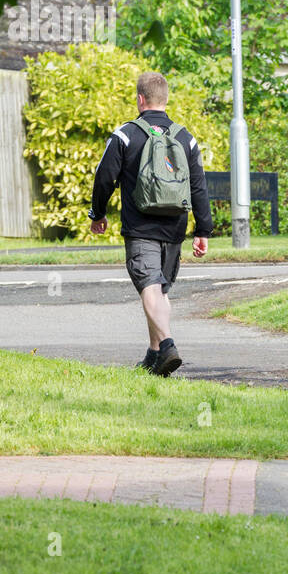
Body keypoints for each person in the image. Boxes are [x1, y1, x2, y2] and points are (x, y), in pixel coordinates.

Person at [90, 71, 213, 376]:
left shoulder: (125, 134)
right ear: (165, 99)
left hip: (141, 227)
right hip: (174, 227)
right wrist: (203, 229)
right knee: (160, 290)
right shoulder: (185, 137)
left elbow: (104, 177)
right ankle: (155, 354)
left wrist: (98, 213)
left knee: (149, 286)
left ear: (140, 99)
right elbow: (198, 185)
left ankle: (168, 344)